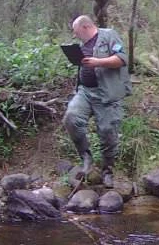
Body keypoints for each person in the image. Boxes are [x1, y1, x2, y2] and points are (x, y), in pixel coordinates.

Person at [63, 15, 131, 188]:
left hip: (106, 93)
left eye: (77, 32)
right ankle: (86, 157)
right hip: (85, 92)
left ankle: (107, 170)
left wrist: (98, 62)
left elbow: (122, 59)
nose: (76, 35)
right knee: (71, 117)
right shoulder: (83, 45)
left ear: (86, 27)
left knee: (108, 131)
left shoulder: (109, 35)